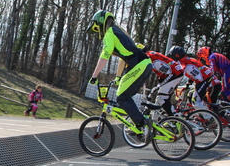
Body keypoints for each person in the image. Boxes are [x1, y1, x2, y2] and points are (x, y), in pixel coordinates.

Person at [87, 10, 153, 144]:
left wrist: (94, 76)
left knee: (122, 97)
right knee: (126, 95)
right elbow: (124, 58)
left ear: (100, 24)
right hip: (146, 64)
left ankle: (142, 123)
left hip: (139, 66)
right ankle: (141, 121)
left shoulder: (110, 33)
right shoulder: (119, 32)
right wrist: (118, 77)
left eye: (97, 28)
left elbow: (104, 56)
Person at [168, 46, 221, 111]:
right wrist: (188, 83)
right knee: (202, 101)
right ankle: (205, 115)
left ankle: (209, 117)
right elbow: (195, 73)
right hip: (207, 79)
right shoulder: (189, 59)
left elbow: (180, 71)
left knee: (196, 101)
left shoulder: (182, 61)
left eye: (171, 56)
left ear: (176, 55)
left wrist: (170, 81)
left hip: (206, 80)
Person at [140, 45, 184, 116]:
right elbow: (164, 70)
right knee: (158, 97)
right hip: (175, 72)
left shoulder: (148, 57)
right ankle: (156, 119)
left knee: (161, 97)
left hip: (175, 73)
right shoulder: (151, 54)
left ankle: (174, 117)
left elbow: (166, 69)